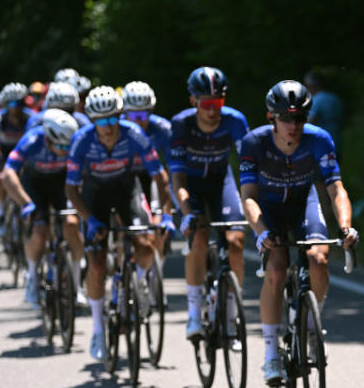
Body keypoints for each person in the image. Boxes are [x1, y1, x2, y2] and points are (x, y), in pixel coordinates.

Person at [239, 80, 358, 385]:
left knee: (318, 260)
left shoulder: (319, 139)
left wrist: (345, 226)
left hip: (304, 203)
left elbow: (335, 189)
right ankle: (270, 355)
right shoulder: (254, 143)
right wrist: (261, 231)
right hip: (269, 210)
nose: (294, 125)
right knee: (277, 270)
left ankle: (310, 322)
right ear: (271, 116)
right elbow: (248, 196)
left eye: (300, 118)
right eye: (286, 118)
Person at [65, 86, 174, 361]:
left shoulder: (133, 133)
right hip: (94, 195)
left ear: (120, 116)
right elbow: (71, 189)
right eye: (101, 121)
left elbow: (159, 176)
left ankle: (137, 284)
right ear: (92, 120)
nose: (109, 126)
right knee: (97, 262)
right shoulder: (81, 140)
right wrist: (89, 220)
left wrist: (164, 213)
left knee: (145, 245)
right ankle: (98, 329)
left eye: (113, 118)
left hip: (127, 190)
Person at [169, 66, 249, 342]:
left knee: (236, 241)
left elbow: (251, 168)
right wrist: (187, 213)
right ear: (194, 101)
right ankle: (193, 311)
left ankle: (230, 313)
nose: (213, 110)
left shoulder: (235, 121)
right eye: (206, 104)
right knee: (199, 237)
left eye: (218, 103)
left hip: (220, 181)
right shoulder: (181, 124)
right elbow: (177, 177)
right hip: (190, 184)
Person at [0, 109, 85, 307]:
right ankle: (32, 276)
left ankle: (76, 286)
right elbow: (8, 174)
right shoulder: (32, 140)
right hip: (35, 183)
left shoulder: (75, 141)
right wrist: (26, 204)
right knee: (40, 231)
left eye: (68, 145)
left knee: (71, 224)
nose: (65, 150)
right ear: (48, 139)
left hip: (61, 182)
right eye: (60, 145)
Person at [122, 80, 174, 257]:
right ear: (124, 113)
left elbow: (172, 167)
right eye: (133, 116)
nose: (138, 121)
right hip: (123, 178)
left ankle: (155, 267)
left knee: (159, 224)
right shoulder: (117, 128)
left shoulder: (163, 129)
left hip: (151, 176)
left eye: (143, 115)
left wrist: (169, 209)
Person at [0, 83, 36, 235]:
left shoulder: (32, 117)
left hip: (24, 153)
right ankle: (1, 211)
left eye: (18, 103)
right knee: (4, 178)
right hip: (4, 153)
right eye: (11, 104)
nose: (14, 108)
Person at [303, 71, 343, 154]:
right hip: (337, 140)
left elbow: (311, 122)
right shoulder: (335, 98)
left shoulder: (316, 100)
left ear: (311, 86)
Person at [26, 82, 91, 130]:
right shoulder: (37, 122)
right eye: (58, 111)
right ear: (49, 106)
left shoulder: (82, 122)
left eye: (68, 111)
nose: (63, 117)